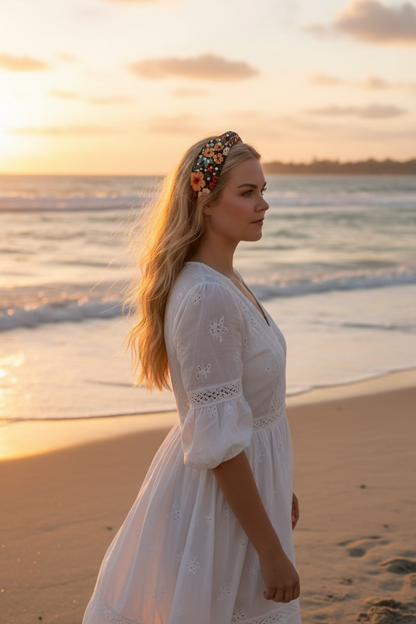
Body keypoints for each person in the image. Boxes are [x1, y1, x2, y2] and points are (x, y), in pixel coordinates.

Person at [82, 131, 302, 624]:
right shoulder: (207, 296)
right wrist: (270, 549)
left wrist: (277, 485)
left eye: (263, 190)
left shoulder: (227, 280)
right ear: (204, 201)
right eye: (247, 193)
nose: (263, 204)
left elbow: (243, 412)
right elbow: (219, 442)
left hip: (245, 494)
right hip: (219, 507)